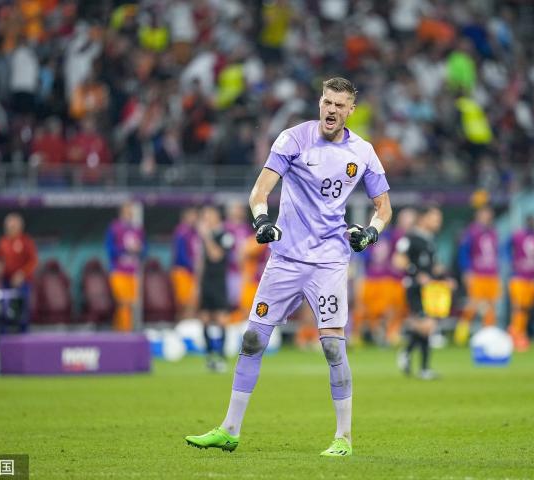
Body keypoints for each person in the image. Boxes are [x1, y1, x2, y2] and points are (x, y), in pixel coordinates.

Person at [185, 77, 392, 457]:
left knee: (332, 347)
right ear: (320, 103)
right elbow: (259, 192)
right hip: (286, 258)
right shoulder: (293, 139)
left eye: (339, 105)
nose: (331, 109)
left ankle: (343, 438)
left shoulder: (363, 152)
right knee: (252, 338)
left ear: (350, 111)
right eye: (327, 102)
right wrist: (262, 221)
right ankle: (229, 430)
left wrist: (370, 234)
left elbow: (384, 208)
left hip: (329, 261)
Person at [393, 205, 447, 379]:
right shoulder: (410, 238)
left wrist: (444, 278)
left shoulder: (429, 239)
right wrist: (416, 273)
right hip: (414, 288)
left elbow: (433, 267)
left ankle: (407, 353)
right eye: (435, 218)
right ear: (423, 218)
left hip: (430, 290)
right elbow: (398, 260)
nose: (438, 222)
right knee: (427, 324)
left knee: (427, 326)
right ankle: (423, 368)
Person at [197, 205, 235, 372]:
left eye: (208, 216)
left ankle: (221, 356)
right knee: (205, 318)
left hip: (219, 283)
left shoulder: (225, 236)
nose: (206, 220)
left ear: (216, 218)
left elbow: (215, 256)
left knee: (221, 319)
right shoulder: (205, 238)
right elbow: (201, 262)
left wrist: (207, 237)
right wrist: (197, 284)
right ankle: (209, 355)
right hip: (206, 282)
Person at [455, 205, 500, 345]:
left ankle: (489, 335)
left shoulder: (493, 232)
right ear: (478, 215)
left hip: (491, 274)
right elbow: (464, 252)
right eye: (484, 213)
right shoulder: (470, 232)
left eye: (489, 213)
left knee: (491, 306)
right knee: (473, 305)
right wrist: (466, 271)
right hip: (477, 273)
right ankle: (460, 336)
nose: (487, 216)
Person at [506, 214, 534, 351]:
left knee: (526, 307)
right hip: (519, 277)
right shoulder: (518, 236)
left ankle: (521, 332)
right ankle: (514, 334)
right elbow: (506, 248)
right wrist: (511, 262)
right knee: (517, 306)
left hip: (532, 277)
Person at [0, 213, 38, 332]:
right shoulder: (2, 242)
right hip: (6, 281)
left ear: (20, 227)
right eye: (8, 226)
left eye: (12, 225)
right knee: (4, 307)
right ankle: (4, 334)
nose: (9, 228)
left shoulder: (26, 241)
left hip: (22, 282)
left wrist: (22, 274)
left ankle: (23, 333)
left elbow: (33, 261)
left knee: (22, 309)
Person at [105, 201, 146, 332]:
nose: (130, 214)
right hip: (119, 271)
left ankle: (130, 332)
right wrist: (126, 249)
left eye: (131, 211)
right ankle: (122, 333)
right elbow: (110, 250)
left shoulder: (138, 229)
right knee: (122, 303)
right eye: (127, 211)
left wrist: (139, 249)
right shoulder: (114, 228)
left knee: (133, 305)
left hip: (133, 272)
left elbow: (145, 250)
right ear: (122, 212)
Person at [171, 208, 200, 320]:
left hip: (192, 272)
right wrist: (193, 266)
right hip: (182, 271)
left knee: (192, 303)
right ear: (185, 217)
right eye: (191, 215)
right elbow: (180, 255)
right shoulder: (181, 232)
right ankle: (182, 323)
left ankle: (189, 322)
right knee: (183, 303)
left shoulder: (195, 232)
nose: (194, 218)